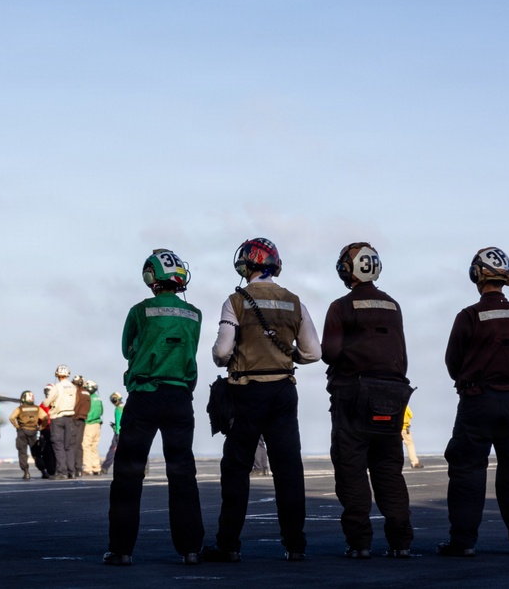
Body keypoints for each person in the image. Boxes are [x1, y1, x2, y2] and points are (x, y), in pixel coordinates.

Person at [202, 238, 321, 563]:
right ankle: (295, 544)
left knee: (236, 469)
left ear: (245, 266)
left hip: (247, 391)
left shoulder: (235, 301)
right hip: (284, 391)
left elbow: (223, 351)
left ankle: (228, 544)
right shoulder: (294, 301)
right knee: (288, 470)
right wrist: (287, 354)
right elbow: (313, 352)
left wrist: (223, 359)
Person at [104, 249, 204, 567]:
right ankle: (190, 549)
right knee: (183, 472)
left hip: (145, 396)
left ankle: (121, 550)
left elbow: (126, 349)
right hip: (179, 398)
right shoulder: (194, 314)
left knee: (129, 473)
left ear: (151, 278)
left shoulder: (140, 311)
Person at [437, 247, 509, 557]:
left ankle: (463, 542)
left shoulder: (468, 315)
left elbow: (452, 361)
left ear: (476, 276)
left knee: (467, 470)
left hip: (477, 400)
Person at [321, 242, 414, 559]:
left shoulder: (340, 307)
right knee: (389, 470)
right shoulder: (393, 305)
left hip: (352, 397)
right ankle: (401, 542)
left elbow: (330, 353)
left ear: (348, 269)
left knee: (352, 471)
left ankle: (359, 543)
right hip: (392, 396)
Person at [42, 365, 76, 479]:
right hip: (69, 417)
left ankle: (62, 472)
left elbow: (47, 403)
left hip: (57, 417)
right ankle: (72, 471)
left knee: (58, 445)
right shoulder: (72, 386)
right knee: (68, 446)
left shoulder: (57, 387)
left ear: (57, 374)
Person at [9, 390, 48, 479]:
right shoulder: (37, 408)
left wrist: (16, 426)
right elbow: (45, 417)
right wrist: (42, 427)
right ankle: (43, 471)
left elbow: (11, 417)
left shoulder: (20, 408)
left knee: (22, 453)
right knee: (37, 454)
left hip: (22, 431)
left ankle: (26, 472)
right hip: (33, 431)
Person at [72, 374, 91, 479]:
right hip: (83, 419)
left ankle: (73, 468)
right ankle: (79, 468)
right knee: (79, 445)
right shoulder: (87, 393)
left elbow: (75, 404)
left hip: (74, 419)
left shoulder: (77, 392)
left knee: (72, 444)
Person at [83, 380, 104, 476]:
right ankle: (97, 467)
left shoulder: (88, 398)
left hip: (89, 424)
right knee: (94, 447)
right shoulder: (98, 398)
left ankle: (88, 468)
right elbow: (102, 411)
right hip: (97, 424)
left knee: (86, 446)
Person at [101, 392, 124, 474]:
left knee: (113, 450)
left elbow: (118, 422)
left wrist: (117, 432)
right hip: (127, 431)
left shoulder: (118, 409)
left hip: (120, 432)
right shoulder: (125, 407)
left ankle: (105, 467)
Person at [39, 384, 58, 478]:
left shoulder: (43, 404)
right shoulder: (58, 403)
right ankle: (55, 470)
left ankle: (51, 470)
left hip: (47, 429)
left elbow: (39, 417)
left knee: (48, 451)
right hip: (54, 429)